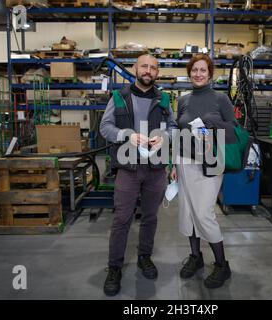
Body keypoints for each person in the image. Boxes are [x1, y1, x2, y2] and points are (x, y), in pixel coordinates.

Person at [99, 54, 177, 296]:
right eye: (144, 66)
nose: (148, 71)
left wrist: (165, 137)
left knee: (150, 218)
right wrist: (126, 135)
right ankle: (114, 267)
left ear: (157, 73)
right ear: (135, 69)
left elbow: (174, 127)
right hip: (128, 168)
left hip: (155, 169)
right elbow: (105, 128)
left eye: (153, 68)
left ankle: (144, 256)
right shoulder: (118, 97)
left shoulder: (164, 99)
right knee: (122, 218)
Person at [170, 54, 236, 289]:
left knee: (204, 212)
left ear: (210, 73)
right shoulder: (184, 100)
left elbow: (235, 130)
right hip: (184, 161)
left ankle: (222, 265)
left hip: (211, 162)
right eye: (194, 70)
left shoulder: (221, 99)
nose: (198, 74)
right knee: (187, 211)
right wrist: (173, 164)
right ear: (190, 73)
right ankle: (196, 257)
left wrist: (214, 126)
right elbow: (178, 130)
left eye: (203, 70)